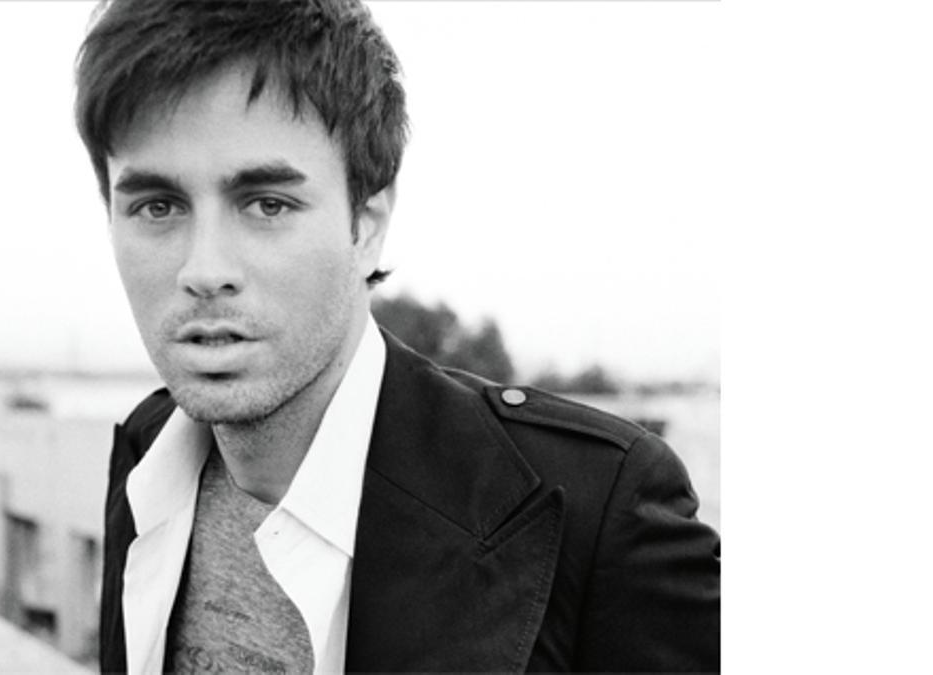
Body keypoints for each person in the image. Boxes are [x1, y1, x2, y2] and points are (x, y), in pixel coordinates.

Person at [74, 0, 720, 672]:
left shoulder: (596, 514)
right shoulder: (146, 455)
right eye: (157, 206)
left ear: (367, 224)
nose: (205, 270)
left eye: (268, 204)